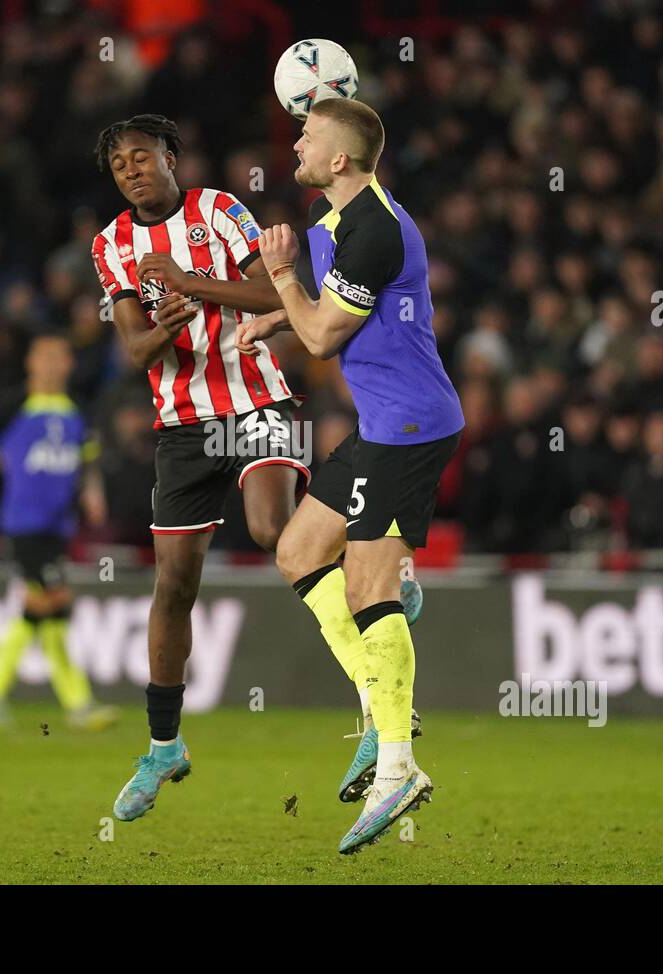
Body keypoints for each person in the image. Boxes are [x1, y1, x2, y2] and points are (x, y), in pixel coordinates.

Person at [238, 99, 464, 853]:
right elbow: (325, 309)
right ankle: (377, 700)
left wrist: (280, 283)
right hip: (380, 426)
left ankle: (399, 764)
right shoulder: (337, 216)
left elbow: (326, 334)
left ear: (341, 160)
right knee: (301, 549)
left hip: (409, 427)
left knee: (368, 586)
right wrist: (275, 312)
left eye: (308, 136)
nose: (295, 140)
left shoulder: (374, 230)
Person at [89, 114, 306, 822]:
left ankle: (371, 554)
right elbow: (136, 351)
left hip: (254, 399)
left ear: (171, 157)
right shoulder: (112, 245)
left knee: (273, 528)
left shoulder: (220, 210)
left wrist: (191, 284)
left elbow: (276, 295)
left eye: (141, 156)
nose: (130, 169)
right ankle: (163, 747)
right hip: (181, 426)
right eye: (119, 163)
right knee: (173, 586)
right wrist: (167, 326)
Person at [0, 332, 117, 731]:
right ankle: (67, 702)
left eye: (58, 356)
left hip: (59, 523)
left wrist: (93, 495)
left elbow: (88, 461)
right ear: (30, 363)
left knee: (44, 606)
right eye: (42, 356)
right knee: (55, 598)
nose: (49, 364)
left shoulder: (78, 409)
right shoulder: (10, 405)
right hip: (22, 523)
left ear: (68, 364)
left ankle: (2, 694)